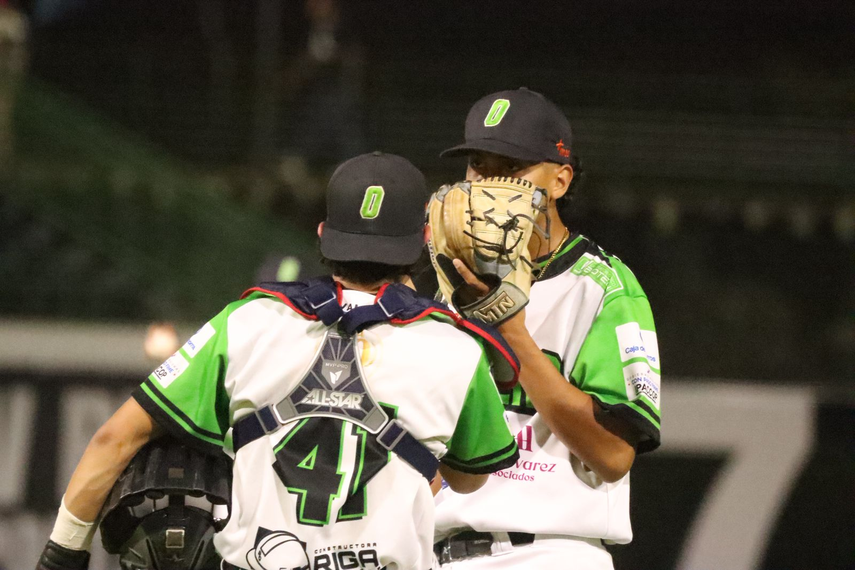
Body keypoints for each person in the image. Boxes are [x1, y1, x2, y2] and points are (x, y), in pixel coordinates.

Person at [36, 151, 520, 570]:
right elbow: (468, 477)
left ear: (324, 232)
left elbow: (114, 439)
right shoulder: (456, 345)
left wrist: (62, 555)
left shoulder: (247, 321)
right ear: (423, 237)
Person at [431, 88, 661, 569]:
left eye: (511, 168)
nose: (489, 182)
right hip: (439, 553)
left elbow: (615, 455)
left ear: (559, 181)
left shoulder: (603, 287)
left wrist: (512, 332)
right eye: (478, 164)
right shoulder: (448, 284)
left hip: (549, 551)